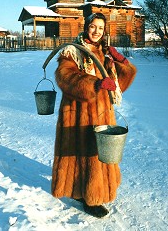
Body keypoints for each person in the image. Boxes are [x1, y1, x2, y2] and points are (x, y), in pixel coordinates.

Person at [52, 13, 137, 218]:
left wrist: (121, 62)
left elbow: (120, 84)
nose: (96, 31)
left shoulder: (104, 53)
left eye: (100, 28)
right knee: (82, 152)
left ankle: (88, 190)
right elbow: (65, 77)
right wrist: (95, 84)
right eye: (93, 27)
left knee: (98, 153)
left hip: (102, 113)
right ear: (86, 27)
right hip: (78, 111)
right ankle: (91, 198)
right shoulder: (73, 51)